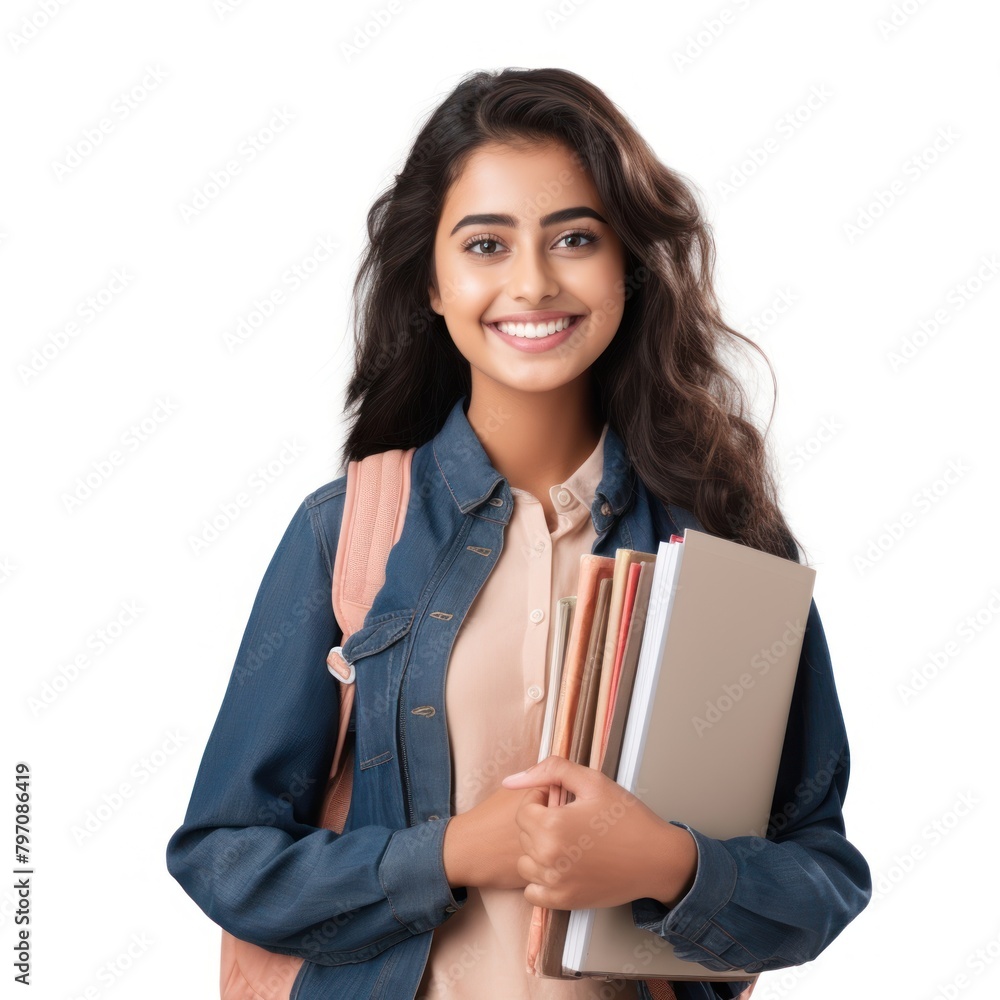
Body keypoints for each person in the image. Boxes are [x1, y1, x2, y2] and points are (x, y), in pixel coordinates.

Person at [166, 67, 872, 1000]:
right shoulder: (347, 533)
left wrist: (664, 864)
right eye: (487, 244)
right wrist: (454, 851)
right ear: (432, 280)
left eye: (575, 238)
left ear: (629, 264)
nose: (532, 282)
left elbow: (822, 877)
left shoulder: (732, 548)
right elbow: (222, 853)